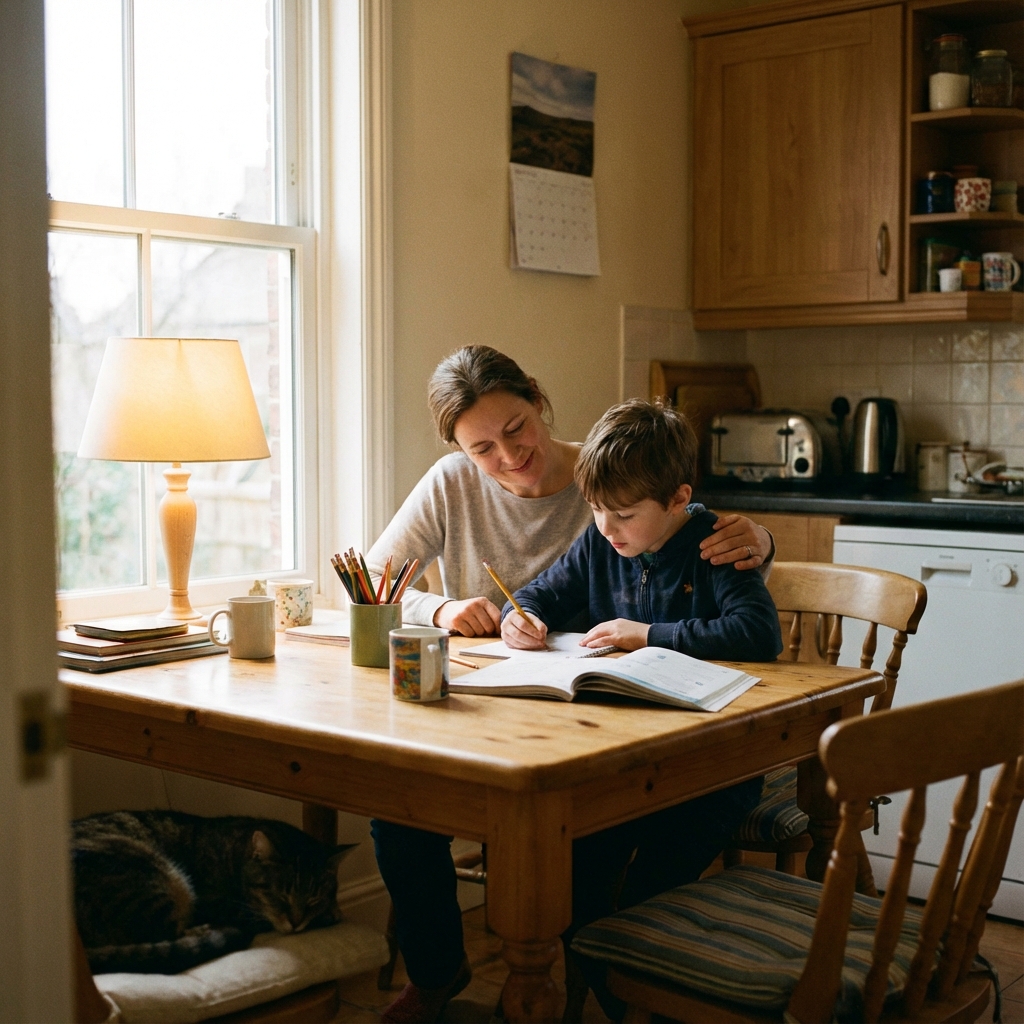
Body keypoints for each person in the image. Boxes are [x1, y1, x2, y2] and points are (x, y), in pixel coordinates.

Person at [366, 346, 775, 1024]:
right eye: (482, 448)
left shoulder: (605, 473)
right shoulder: (473, 489)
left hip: (612, 734)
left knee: (588, 852)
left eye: (517, 428)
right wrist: (469, 611)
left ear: (537, 400)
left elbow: (707, 552)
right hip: (518, 703)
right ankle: (441, 974)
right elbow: (377, 587)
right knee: (398, 805)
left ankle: (600, 976)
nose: (507, 456)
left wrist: (757, 538)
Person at [501, 398, 783, 1018]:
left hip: (712, 767)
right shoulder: (603, 542)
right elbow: (540, 593)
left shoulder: (714, 545)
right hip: (619, 762)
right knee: (578, 864)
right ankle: (614, 994)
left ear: (679, 498)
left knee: (651, 888)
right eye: (596, 509)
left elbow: (758, 634)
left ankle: (649, 995)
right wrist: (521, 618)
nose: (606, 526)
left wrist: (647, 635)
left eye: (623, 513)